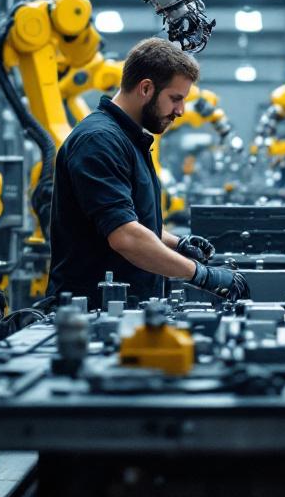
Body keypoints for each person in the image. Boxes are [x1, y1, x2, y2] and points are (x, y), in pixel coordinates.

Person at [47, 38, 249, 306]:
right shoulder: (99, 140)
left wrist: (177, 244)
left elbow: (130, 220)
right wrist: (202, 275)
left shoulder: (128, 139)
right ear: (145, 88)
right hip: (90, 314)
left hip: (122, 310)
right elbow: (126, 236)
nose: (181, 111)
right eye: (175, 98)